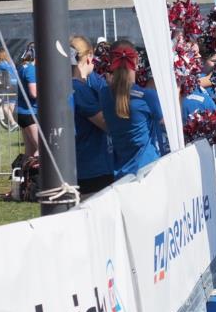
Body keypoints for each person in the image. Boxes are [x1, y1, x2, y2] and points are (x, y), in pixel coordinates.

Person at [98, 40, 166, 180]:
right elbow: (167, 124)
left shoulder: (104, 94)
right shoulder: (147, 95)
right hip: (148, 170)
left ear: (111, 62)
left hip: (121, 173)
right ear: (136, 60)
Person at [68, 36, 114, 196]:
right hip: (93, 169)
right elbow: (107, 123)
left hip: (81, 165)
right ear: (88, 57)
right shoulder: (80, 90)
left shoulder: (70, 87)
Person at [15, 44, 38, 156]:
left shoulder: (22, 67)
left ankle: (24, 173)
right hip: (30, 113)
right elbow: (34, 93)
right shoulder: (31, 69)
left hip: (22, 112)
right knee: (42, 148)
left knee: (30, 151)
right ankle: (38, 173)